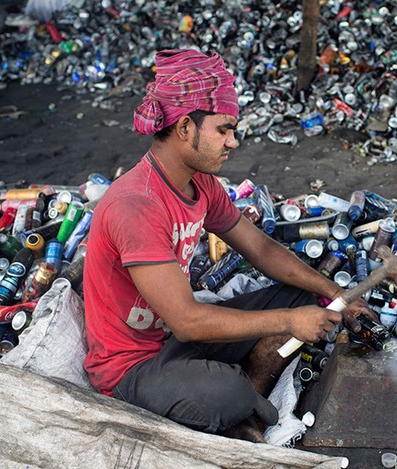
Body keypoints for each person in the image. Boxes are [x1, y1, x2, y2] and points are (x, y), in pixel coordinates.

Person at [82, 49, 372, 442]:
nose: (233, 141)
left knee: (302, 293)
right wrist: (289, 322)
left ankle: (246, 398)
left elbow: (262, 249)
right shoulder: (137, 205)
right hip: (132, 368)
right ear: (185, 127)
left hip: (173, 340)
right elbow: (187, 321)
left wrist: (336, 293)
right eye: (224, 129)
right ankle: (243, 400)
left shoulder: (200, 183)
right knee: (229, 393)